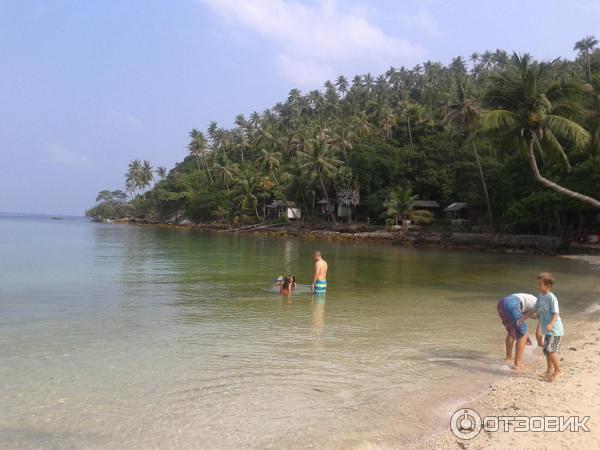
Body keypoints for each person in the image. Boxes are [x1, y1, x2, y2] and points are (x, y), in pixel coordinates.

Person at [534, 272, 564, 381]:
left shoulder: (551, 297)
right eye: (537, 284)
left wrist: (551, 324)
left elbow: (556, 313)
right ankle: (549, 370)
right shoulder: (540, 296)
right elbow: (535, 309)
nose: (538, 286)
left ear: (548, 286)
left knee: (551, 350)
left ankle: (558, 371)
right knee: (547, 351)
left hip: (555, 329)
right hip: (547, 330)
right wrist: (524, 317)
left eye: (540, 284)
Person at [497, 292, 538, 370]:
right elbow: (537, 331)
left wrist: (524, 335)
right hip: (512, 304)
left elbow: (521, 321)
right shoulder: (542, 307)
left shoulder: (533, 303)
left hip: (502, 303)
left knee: (512, 331)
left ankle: (508, 358)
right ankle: (517, 364)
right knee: (524, 334)